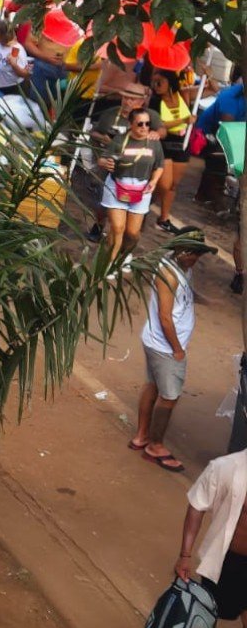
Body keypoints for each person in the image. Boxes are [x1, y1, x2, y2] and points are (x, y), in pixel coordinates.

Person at [129, 230, 213, 472]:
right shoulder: (168, 272)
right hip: (165, 347)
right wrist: (177, 349)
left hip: (159, 343)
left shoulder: (184, 267)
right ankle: (154, 446)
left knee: (152, 386)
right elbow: (164, 317)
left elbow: (184, 296)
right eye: (195, 254)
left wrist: (204, 300)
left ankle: (141, 436)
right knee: (170, 397)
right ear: (184, 251)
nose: (197, 259)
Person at [175, 446, 247, 628]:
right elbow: (197, 506)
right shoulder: (225, 467)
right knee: (206, 617)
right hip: (224, 559)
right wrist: (185, 555)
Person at [98, 104, 163, 273]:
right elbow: (102, 159)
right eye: (140, 124)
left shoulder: (154, 143)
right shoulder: (119, 140)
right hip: (118, 186)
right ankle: (109, 265)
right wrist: (106, 163)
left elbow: (159, 166)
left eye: (147, 124)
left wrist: (154, 181)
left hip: (141, 190)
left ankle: (124, 255)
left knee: (133, 233)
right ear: (131, 124)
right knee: (117, 228)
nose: (144, 127)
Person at [150, 68, 196, 234]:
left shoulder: (183, 95)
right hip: (164, 145)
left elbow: (213, 89)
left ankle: (163, 218)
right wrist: (183, 120)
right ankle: (148, 199)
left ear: (170, 81)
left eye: (160, 82)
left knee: (173, 186)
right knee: (164, 184)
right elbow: (158, 124)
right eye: (154, 82)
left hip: (182, 146)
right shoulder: (155, 101)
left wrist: (209, 74)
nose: (156, 86)